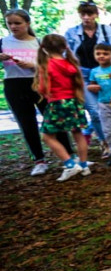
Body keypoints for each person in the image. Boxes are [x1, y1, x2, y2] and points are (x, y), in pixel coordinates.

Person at [1, 9, 70, 175]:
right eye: (10, 23)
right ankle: (39, 160)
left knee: (54, 119)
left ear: (27, 23)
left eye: (17, 23)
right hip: (14, 84)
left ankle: (69, 157)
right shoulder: (3, 42)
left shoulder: (39, 43)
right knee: (26, 123)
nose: (13, 26)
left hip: (39, 83)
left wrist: (34, 66)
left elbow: (54, 65)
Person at [65, 0, 111, 153]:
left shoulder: (106, 30)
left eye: (90, 14)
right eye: (83, 14)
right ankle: (105, 142)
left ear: (96, 14)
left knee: (109, 109)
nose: (86, 17)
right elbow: (67, 54)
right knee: (95, 111)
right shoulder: (72, 32)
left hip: (104, 73)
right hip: (82, 74)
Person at [34, 34, 91, 182]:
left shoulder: (46, 65)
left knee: (47, 136)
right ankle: (84, 166)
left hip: (57, 103)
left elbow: (42, 88)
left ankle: (70, 164)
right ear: (64, 47)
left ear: (44, 48)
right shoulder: (71, 64)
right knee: (78, 134)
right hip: (74, 103)